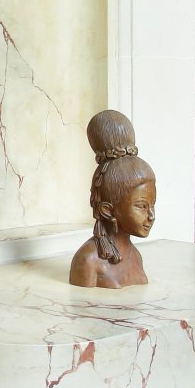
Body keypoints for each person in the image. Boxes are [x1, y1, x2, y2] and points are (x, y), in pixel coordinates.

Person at [68, 109, 157, 288]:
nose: (151, 216)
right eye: (141, 206)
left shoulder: (136, 257)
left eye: (152, 205)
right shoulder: (88, 261)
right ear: (107, 210)